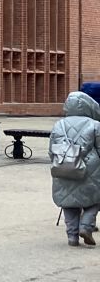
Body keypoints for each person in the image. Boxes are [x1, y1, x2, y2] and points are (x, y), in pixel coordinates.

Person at [48, 89, 100, 247]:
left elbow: (51, 150)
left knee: (68, 201)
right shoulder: (95, 125)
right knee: (95, 199)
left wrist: (63, 162)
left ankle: (72, 236)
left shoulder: (59, 125)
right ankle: (86, 226)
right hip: (90, 168)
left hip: (63, 166)